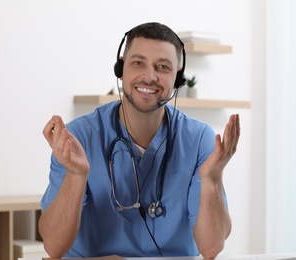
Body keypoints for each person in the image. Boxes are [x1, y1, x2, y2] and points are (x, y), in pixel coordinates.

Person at [38, 22, 240, 259]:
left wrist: (211, 179)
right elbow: (53, 246)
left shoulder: (199, 139)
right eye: (138, 63)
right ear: (120, 69)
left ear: (177, 77)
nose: (150, 76)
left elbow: (211, 248)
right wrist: (76, 175)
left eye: (163, 67)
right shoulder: (79, 137)